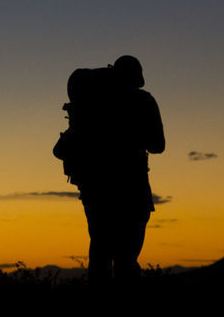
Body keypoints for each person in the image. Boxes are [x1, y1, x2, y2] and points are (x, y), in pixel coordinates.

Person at [54, 54, 165, 281]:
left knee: (100, 251)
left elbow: (64, 147)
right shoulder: (143, 101)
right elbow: (158, 145)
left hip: (96, 187)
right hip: (132, 187)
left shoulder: (92, 101)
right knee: (127, 256)